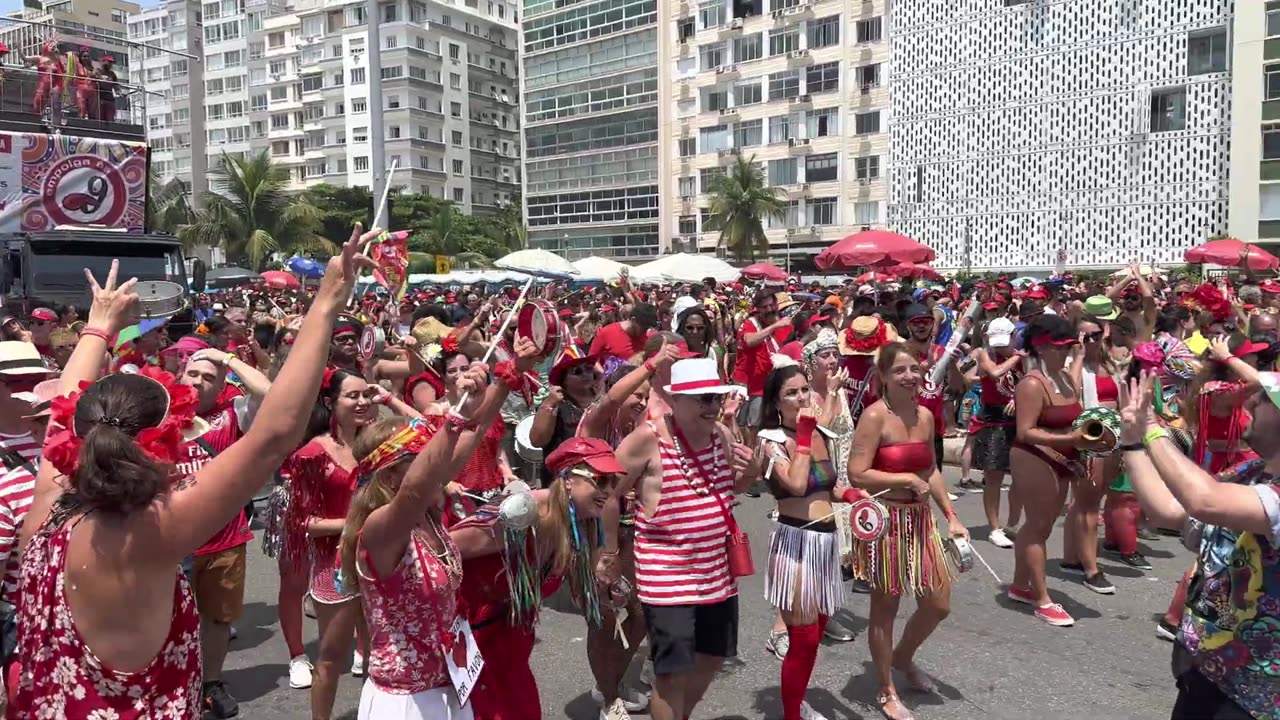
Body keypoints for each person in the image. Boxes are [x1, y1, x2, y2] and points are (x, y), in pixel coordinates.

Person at [13, 226, 377, 716]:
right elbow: (275, 432)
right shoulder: (158, 529)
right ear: (164, 445)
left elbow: (65, 407)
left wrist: (99, 326)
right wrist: (328, 301)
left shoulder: (48, 507)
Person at [335, 352, 504, 719]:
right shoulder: (380, 528)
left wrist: (504, 380)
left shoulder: (425, 517)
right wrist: (454, 418)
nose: (439, 465)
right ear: (394, 477)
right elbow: (417, 487)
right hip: (405, 702)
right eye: (424, 457)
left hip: (448, 684)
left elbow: (471, 438)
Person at [605, 357, 763, 720]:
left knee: (712, 657)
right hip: (667, 579)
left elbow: (727, 491)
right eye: (703, 399)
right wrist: (611, 552)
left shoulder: (722, 435)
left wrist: (751, 475)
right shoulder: (649, 438)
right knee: (671, 674)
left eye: (715, 398)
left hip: (717, 575)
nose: (713, 406)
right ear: (675, 401)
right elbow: (609, 494)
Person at [1118, 372, 1280, 719]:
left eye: (1265, 399)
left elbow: (1203, 499)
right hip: (1208, 673)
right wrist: (1132, 443)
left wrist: (1150, 427)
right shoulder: (1251, 471)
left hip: (1257, 700)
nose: (1250, 402)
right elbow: (1171, 510)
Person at [449, 435, 626, 720]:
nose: (609, 491)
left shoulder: (582, 524)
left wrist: (607, 591)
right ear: (568, 479)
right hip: (469, 638)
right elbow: (439, 553)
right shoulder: (520, 514)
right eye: (600, 480)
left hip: (513, 639)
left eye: (613, 483)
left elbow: (583, 590)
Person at [848, 343, 966, 720]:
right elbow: (857, 473)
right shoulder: (874, 417)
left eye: (915, 369)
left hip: (921, 520)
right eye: (900, 370)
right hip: (886, 521)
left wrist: (951, 513)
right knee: (885, 609)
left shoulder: (926, 416)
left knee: (938, 604)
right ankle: (885, 689)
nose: (910, 377)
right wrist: (903, 478)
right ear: (882, 376)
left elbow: (930, 470)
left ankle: (902, 657)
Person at [758, 363, 866, 720]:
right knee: (802, 640)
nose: (802, 397)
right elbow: (795, 484)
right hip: (796, 543)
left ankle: (796, 701)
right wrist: (803, 436)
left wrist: (849, 493)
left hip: (826, 543)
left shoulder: (819, 433)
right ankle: (791, 715)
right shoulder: (770, 440)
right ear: (776, 401)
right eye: (792, 392)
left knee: (815, 633)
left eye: (805, 389)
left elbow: (825, 485)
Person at [173, 346, 272, 718]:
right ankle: (176, 683)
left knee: (217, 618)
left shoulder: (234, 413)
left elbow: (268, 394)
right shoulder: (158, 411)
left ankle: (210, 684)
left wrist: (226, 359)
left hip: (224, 537)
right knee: (170, 622)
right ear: (181, 375)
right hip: (171, 543)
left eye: (208, 378)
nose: (199, 382)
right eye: (193, 374)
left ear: (222, 386)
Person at [1006, 314, 1108, 626]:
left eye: (1068, 347)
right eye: (1060, 346)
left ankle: (1020, 586)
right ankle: (1042, 599)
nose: (1066, 351)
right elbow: (1025, 432)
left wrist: (1078, 450)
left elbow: (1073, 419)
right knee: (1038, 527)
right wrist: (1070, 440)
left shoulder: (1063, 378)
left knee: (1039, 526)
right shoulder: (1032, 384)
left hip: (1060, 456)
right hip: (1033, 457)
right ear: (1042, 347)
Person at [970, 317, 1024, 548]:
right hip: (994, 421)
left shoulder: (1023, 357)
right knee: (993, 476)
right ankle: (994, 527)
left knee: (1021, 478)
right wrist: (1015, 358)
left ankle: (1012, 523)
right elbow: (993, 374)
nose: (1001, 346)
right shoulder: (986, 354)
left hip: (1019, 422)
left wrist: (1019, 398)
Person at [732, 291, 789, 443]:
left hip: (772, 383)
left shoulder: (785, 325)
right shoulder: (750, 323)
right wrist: (775, 326)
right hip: (750, 384)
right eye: (765, 307)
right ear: (757, 308)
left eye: (772, 305)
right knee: (748, 428)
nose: (770, 309)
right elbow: (750, 341)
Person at [590, 303, 658, 365]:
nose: (646, 330)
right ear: (633, 320)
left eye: (648, 327)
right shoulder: (606, 333)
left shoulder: (648, 338)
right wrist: (604, 375)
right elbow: (591, 360)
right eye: (644, 326)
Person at [95, 55, 117, 121]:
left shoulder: (112, 74)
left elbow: (116, 85)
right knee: (100, 118)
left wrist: (118, 91)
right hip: (99, 99)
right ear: (104, 61)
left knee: (110, 118)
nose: (110, 64)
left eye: (111, 62)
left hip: (110, 99)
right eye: (109, 62)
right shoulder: (98, 71)